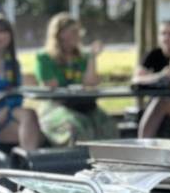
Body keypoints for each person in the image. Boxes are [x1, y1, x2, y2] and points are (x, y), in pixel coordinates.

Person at [34, 14, 115, 145]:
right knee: (75, 127)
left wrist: (92, 57)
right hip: (55, 106)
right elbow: (51, 86)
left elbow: (90, 82)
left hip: (82, 105)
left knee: (108, 125)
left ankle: (108, 161)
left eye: (79, 31)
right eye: (73, 31)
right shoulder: (44, 57)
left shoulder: (82, 57)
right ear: (60, 34)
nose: (78, 35)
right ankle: (76, 161)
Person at [0, 12, 42, 151]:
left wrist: (6, 107)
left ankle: (27, 164)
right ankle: (27, 165)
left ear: (10, 35)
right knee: (34, 131)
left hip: (8, 113)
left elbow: (16, 94)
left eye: (2, 31)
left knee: (30, 117)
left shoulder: (13, 64)